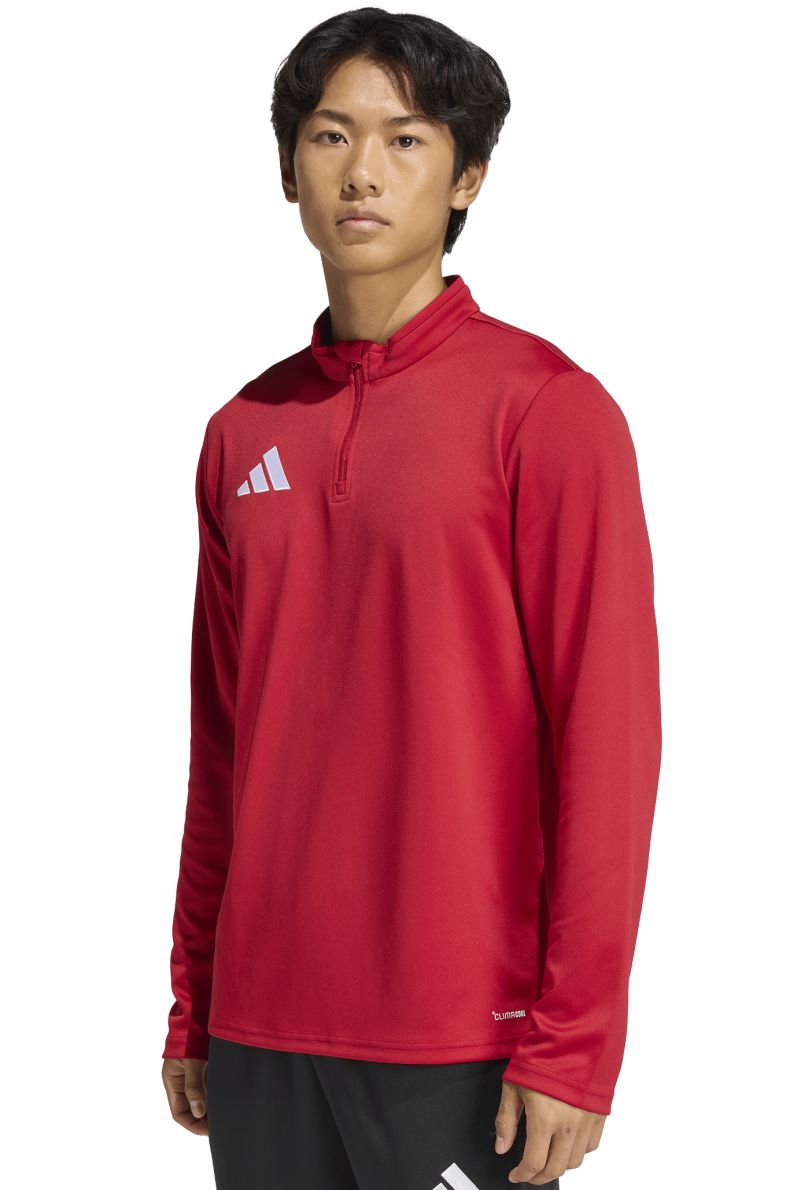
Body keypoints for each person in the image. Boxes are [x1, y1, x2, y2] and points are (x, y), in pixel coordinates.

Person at [160, 9, 662, 1188]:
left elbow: (607, 739)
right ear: (288, 169)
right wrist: (196, 996)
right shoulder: (242, 430)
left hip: (460, 1031)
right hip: (261, 1025)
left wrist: (574, 1040)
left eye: (405, 138)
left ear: (467, 176)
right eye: (330, 135)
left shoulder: (546, 410)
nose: (362, 171)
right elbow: (221, 745)